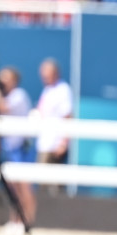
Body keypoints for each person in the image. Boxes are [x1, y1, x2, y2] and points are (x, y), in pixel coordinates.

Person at [0, 66, 36, 229]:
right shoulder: (9, 95)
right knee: (13, 187)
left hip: (21, 148)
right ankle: (15, 220)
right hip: (10, 148)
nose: (2, 82)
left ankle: (27, 221)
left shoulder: (19, 95)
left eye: (5, 78)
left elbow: (2, 107)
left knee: (24, 186)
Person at [32, 58, 74, 194]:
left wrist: (63, 143)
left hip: (55, 144)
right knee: (43, 184)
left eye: (47, 74)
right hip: (44, 143)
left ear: (55, 73)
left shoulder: (63, 90)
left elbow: (68, 117)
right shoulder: (48, 90)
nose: (44, 77)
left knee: (55, 186)